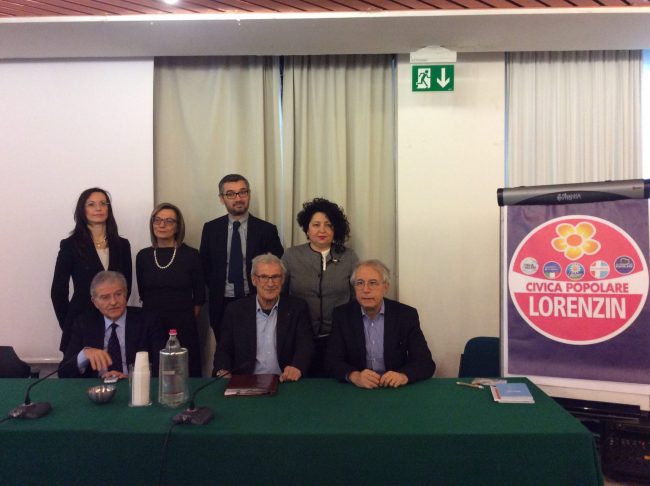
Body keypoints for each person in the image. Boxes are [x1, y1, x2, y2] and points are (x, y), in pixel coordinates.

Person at [325, 259, 435, 388]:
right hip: (358, 390)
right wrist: (354, 376)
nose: (366, 289)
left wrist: (403, 376)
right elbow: (331, 361)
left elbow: (425, 363)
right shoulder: (342, 316)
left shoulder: (405, 315)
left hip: (394, 389)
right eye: (360, 283)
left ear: (385, 287)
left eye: (373, 283)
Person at [200, 174, 284, 343]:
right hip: (221, 302)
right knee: (225, 349)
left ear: (249, 194)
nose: (238, 198)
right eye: (231, 194)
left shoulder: (266, 230)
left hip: (256, 300)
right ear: (222, 199)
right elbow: (205, 266)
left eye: (242, 192)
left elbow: (277, 266)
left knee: (255, 348)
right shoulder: (211, 229)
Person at [282, 198, 358, 377]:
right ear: (307, 229)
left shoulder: (349, 257)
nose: (322, 230)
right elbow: (281, 295)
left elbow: (356, 297)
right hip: (300, 339)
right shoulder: (291, 256)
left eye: (328, 225)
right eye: (316, 225)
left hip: (339, 338)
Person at [51, 188, 132, 352]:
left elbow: (126, 286)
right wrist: (69, 325)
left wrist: (113, 311)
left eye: (103, 203)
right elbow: (58, 291)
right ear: (82, 210)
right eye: (91, 204)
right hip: (80, 319)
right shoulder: (70, 245)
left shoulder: (122, 245)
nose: (98, 208)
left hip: (114, 323)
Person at [213, 254, 313, 382]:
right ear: (254, 280)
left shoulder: (297, 308)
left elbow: (305, 345)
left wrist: (297, 367)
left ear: (283, 280)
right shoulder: (235, 310)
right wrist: (223, 371)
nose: (270, 283)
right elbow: (224, 349)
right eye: (264, 277)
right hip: (247, 382)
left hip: (285, 381)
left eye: (275, 277)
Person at [136, 203, 205, 377]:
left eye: (168, 221)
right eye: (157, 220)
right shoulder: (143, 256)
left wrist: (184, 319)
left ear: (178, 226)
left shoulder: (191, 255)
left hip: (183, 325)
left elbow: (199, 298)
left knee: (185, 372)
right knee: (155, 373)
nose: (162, 225)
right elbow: (142, 293)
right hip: (151, 325)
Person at [59, 271, 164, 379]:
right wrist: (84, 355)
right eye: (105, 297)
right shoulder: (83, 324)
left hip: (134, 385)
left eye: (118, 294)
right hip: (97, 386)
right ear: (95, 302)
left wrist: (131, 379)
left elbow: (161, 368)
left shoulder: (148, 321)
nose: (113, 302)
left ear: (125, 295)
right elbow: (63, 373)